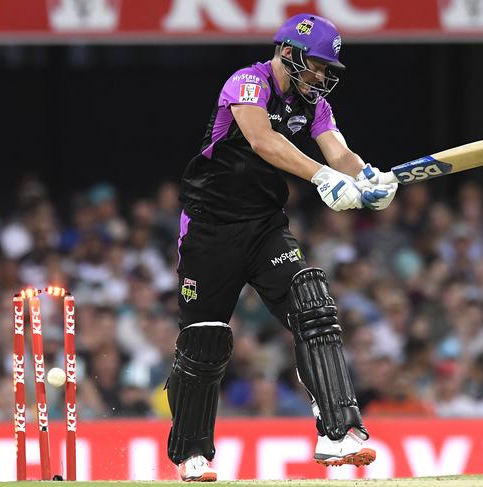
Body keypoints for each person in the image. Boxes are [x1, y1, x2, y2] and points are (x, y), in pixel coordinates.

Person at [168, 13, 398, 481]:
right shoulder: (246, 83)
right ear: (289, 53)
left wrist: (369, 176)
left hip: (265, 228)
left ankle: (337, 433)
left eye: (327, 70)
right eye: (316, 66)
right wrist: (323, 178)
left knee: (313, 304)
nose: (322, 77)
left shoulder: (315, 107)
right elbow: (262, 140)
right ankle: (193, 454)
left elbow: (339, 153)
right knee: (205, 342)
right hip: (209, 231)